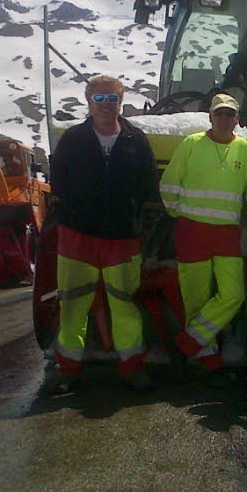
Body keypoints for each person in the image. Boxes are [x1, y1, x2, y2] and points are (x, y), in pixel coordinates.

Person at [47, 75, 160, 393]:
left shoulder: (136, 140)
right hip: (78, 238)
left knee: (125, 305)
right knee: (73, 305)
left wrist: (140, 224)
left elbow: (149, 188)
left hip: (123, 239)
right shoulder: (71, 140)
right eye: (100, 99)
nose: (107, 105)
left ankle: (132, 369)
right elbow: (59, 186)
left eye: (113, 99)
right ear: (88, 101)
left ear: (121, 101)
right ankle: (67, 369)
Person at [160, 93, 247, 383]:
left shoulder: (244, 149)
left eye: (230, 115)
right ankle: (205, 359)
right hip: (192, 230)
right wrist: (179, 213)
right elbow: (169, 183)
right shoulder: (191, 144)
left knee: (233, 294)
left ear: (238, 120)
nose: (225, 119)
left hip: (226, 232)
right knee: (196, 299)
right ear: (210, 117)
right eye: (219, 114)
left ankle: (187, 342)